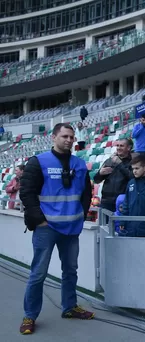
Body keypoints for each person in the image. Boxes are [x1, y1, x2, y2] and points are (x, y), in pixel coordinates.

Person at [19, 123, 94, 335]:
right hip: (47, 228)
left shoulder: (79, 164)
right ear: (54, 137)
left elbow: (86, 193)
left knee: (70, 271)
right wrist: (39, 220)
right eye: (64, 136)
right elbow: (27, 193)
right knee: (38, 274)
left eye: (71, 137)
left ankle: (69, 307)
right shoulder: (38, 162)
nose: (69, 140)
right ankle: (29, 315)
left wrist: (81, 215)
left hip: (72, 228)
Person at [93, 138, 133, 212]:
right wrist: (100, 173)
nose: (118, 148)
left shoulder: (133, 161)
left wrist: (120, 164)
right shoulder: (109, 160)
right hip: (106, 201)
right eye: (117, 145)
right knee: (104, 223)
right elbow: (96, 180)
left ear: (128, 148)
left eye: (121, 146)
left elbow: (132, 177)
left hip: (122, 201)